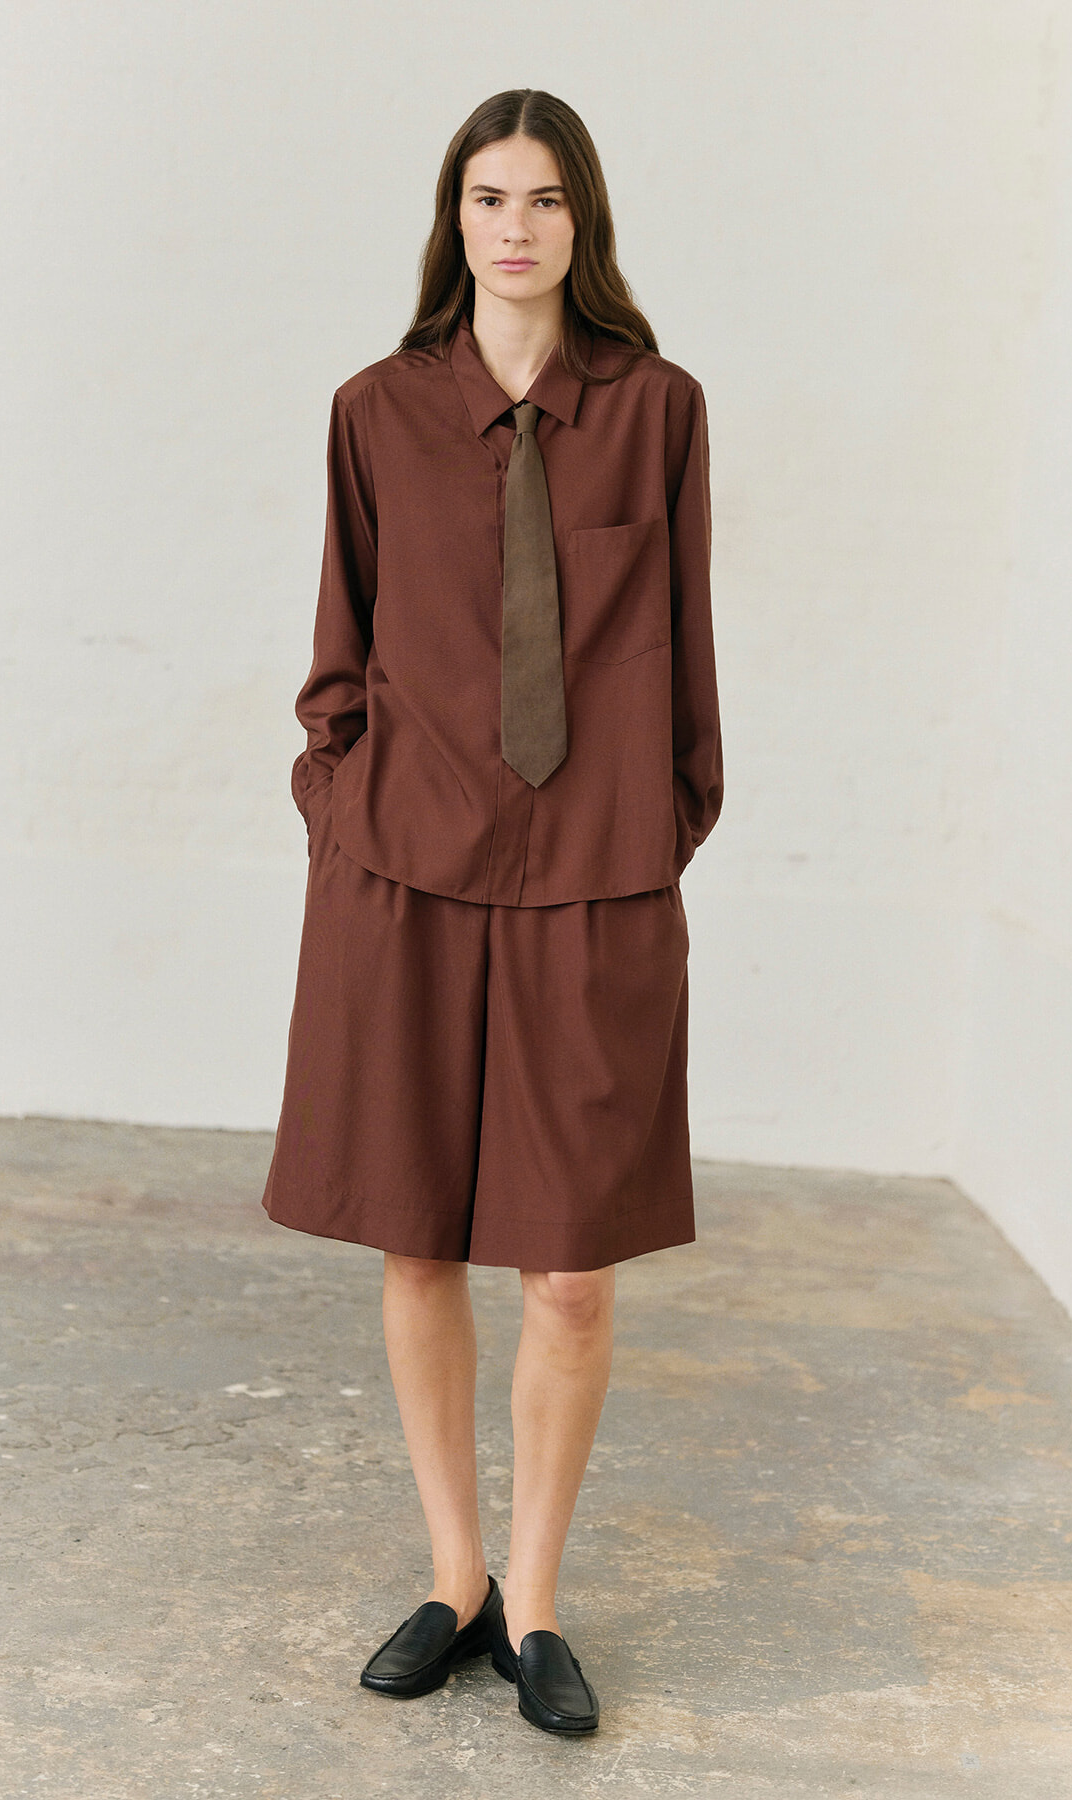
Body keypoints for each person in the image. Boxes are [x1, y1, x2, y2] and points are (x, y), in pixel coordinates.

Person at [261, 87, 722, 1737]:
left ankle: (537, 1600)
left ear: (581, 223)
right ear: (451, 222)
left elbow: (687, 659)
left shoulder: (655, 409)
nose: (512, 228)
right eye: (484, 199)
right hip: (404, 871)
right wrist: (342, 810)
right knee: (417, 1234)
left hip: (593, 879)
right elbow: (340, 647)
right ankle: (454, 1575)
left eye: (541, 200)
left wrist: (659, 831)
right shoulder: (376, 411)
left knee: (574, 1275)